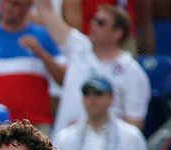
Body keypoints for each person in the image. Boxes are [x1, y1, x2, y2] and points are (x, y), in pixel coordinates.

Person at [33, 0, 148, 133]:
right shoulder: (78, 46)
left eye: (100, 23)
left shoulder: (131, 71)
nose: (93, 25)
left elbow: (134, 125)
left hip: (103, 143)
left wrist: (91, 130)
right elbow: (47, 11)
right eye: (93, 20)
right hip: (63, 142)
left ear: (117, 33)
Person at [0, 0, 63, 130]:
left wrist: (41, 53)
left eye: (16, 4)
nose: (9, 7)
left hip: (34, 124)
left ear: (28, 7)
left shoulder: (44, 36)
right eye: (6, 2)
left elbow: (63, 78)